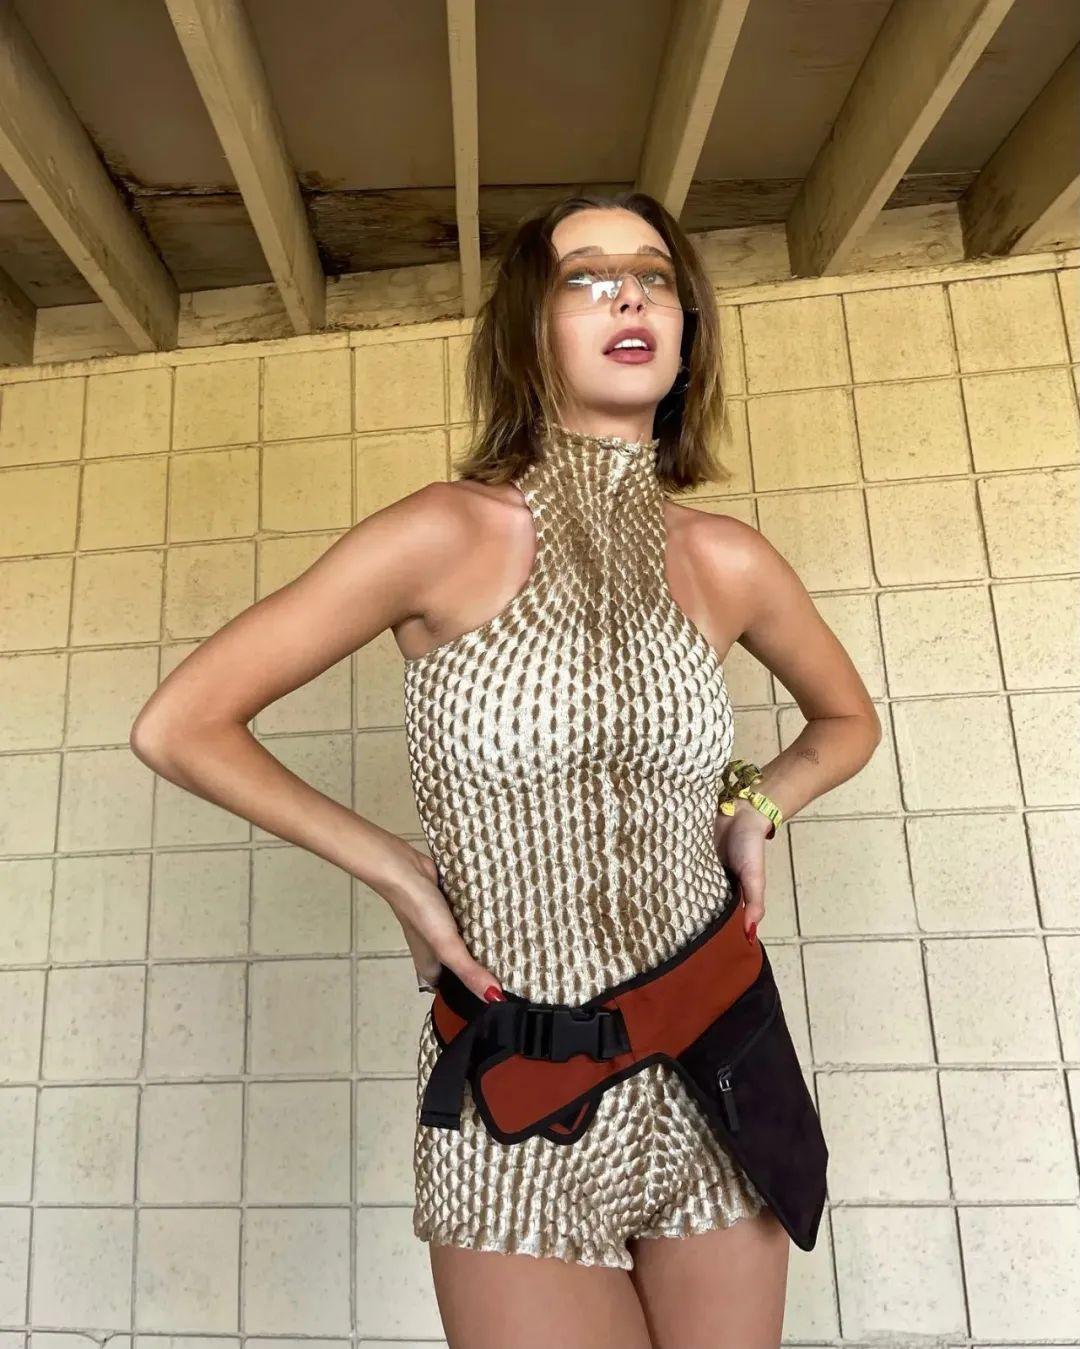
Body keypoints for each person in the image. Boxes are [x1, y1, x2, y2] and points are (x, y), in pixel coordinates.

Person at [130, 190, 880, 1349]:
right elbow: (182, 723)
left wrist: (755, 802)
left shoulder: (727, 558)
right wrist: (397, 869)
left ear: (686, 327)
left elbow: (845, 720)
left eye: (655, 276)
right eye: (587, 276)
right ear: (530, 327)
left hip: (719, 1066)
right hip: (513, 1094)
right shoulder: (444, 533)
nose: (629, 295)